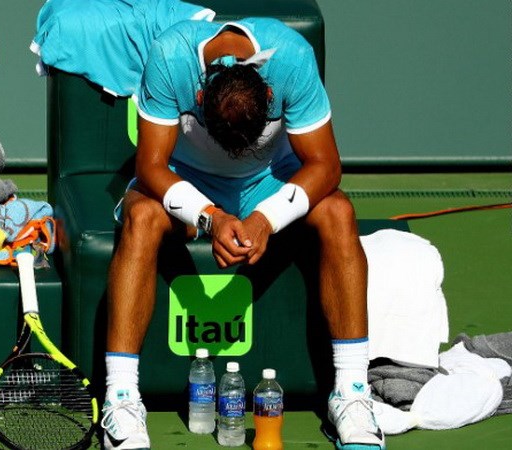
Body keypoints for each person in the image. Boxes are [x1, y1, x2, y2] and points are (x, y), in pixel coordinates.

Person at [100, 16, 385, 450]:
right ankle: (121, 397)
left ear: (269, 94)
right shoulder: (169, 55)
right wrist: (211, 216)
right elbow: (151, 167)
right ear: (198, 96)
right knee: (142, 218)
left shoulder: (292, 58)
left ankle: (351, 393)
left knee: (339, 212)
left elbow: (326, 165)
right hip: (187, 177)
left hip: (270, 178)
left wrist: (265, 218)